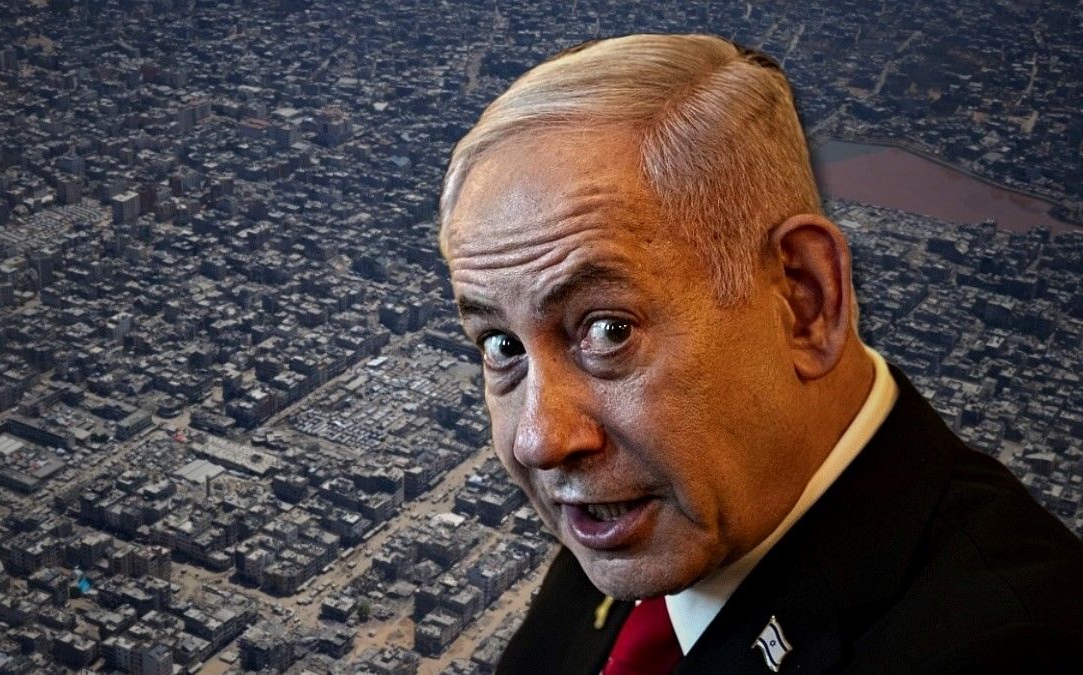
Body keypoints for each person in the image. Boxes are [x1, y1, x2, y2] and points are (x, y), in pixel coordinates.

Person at [436, 34, 1083, 673]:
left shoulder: (1008, 648)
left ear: (804, 300)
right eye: (502, 345)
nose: (540, 439)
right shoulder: (646, 513)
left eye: (609, 331)